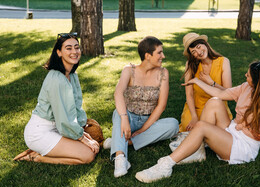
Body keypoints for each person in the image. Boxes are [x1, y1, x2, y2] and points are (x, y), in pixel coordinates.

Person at [135, 58, 260, 183]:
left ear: (258, 83)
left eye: (248, 76)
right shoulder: (246, 87)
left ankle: (166, 165)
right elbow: (219, 94)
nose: (245, 76)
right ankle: (198, 150)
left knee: (202, 127)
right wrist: (196, 81)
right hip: (232, 130)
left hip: (243, 146)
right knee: (215, 103)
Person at [13, 33, 99, 164]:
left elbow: (76, 107)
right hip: (40, 133)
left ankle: (47, 150)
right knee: (88, 155)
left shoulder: (72, 75)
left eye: (77, 47)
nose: (74, 52)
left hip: (58, 129)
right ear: (59, 53)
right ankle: (37, 157)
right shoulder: (56, 79)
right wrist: (83, 138)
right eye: (68, 48)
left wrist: (83, 129)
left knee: (94, 142)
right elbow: (64, 119)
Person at [108, 36, 179, 178]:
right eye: (159, 53)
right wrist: (124, 119)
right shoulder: (129, 70)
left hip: (149, 121)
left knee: (173, 125)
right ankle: (120, 159)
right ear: (147, 55)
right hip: (128, 118)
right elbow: (118, 94)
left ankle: (121, 141)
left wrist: (142, 130)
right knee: (118, 112)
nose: (163, 56)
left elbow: (161, 106)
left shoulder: (163, 73)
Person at [179, 33, 232, 132]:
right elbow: (189, 94)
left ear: (205, 44)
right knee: (189, 126)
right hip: (196, 107)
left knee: (213, 128)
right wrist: (194, 117)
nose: (199, 52)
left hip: (217, 107)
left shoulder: (223, 61)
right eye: (194, 52)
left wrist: (212, 83)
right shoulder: (190, 65)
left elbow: (229, 93)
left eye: (199, 47)